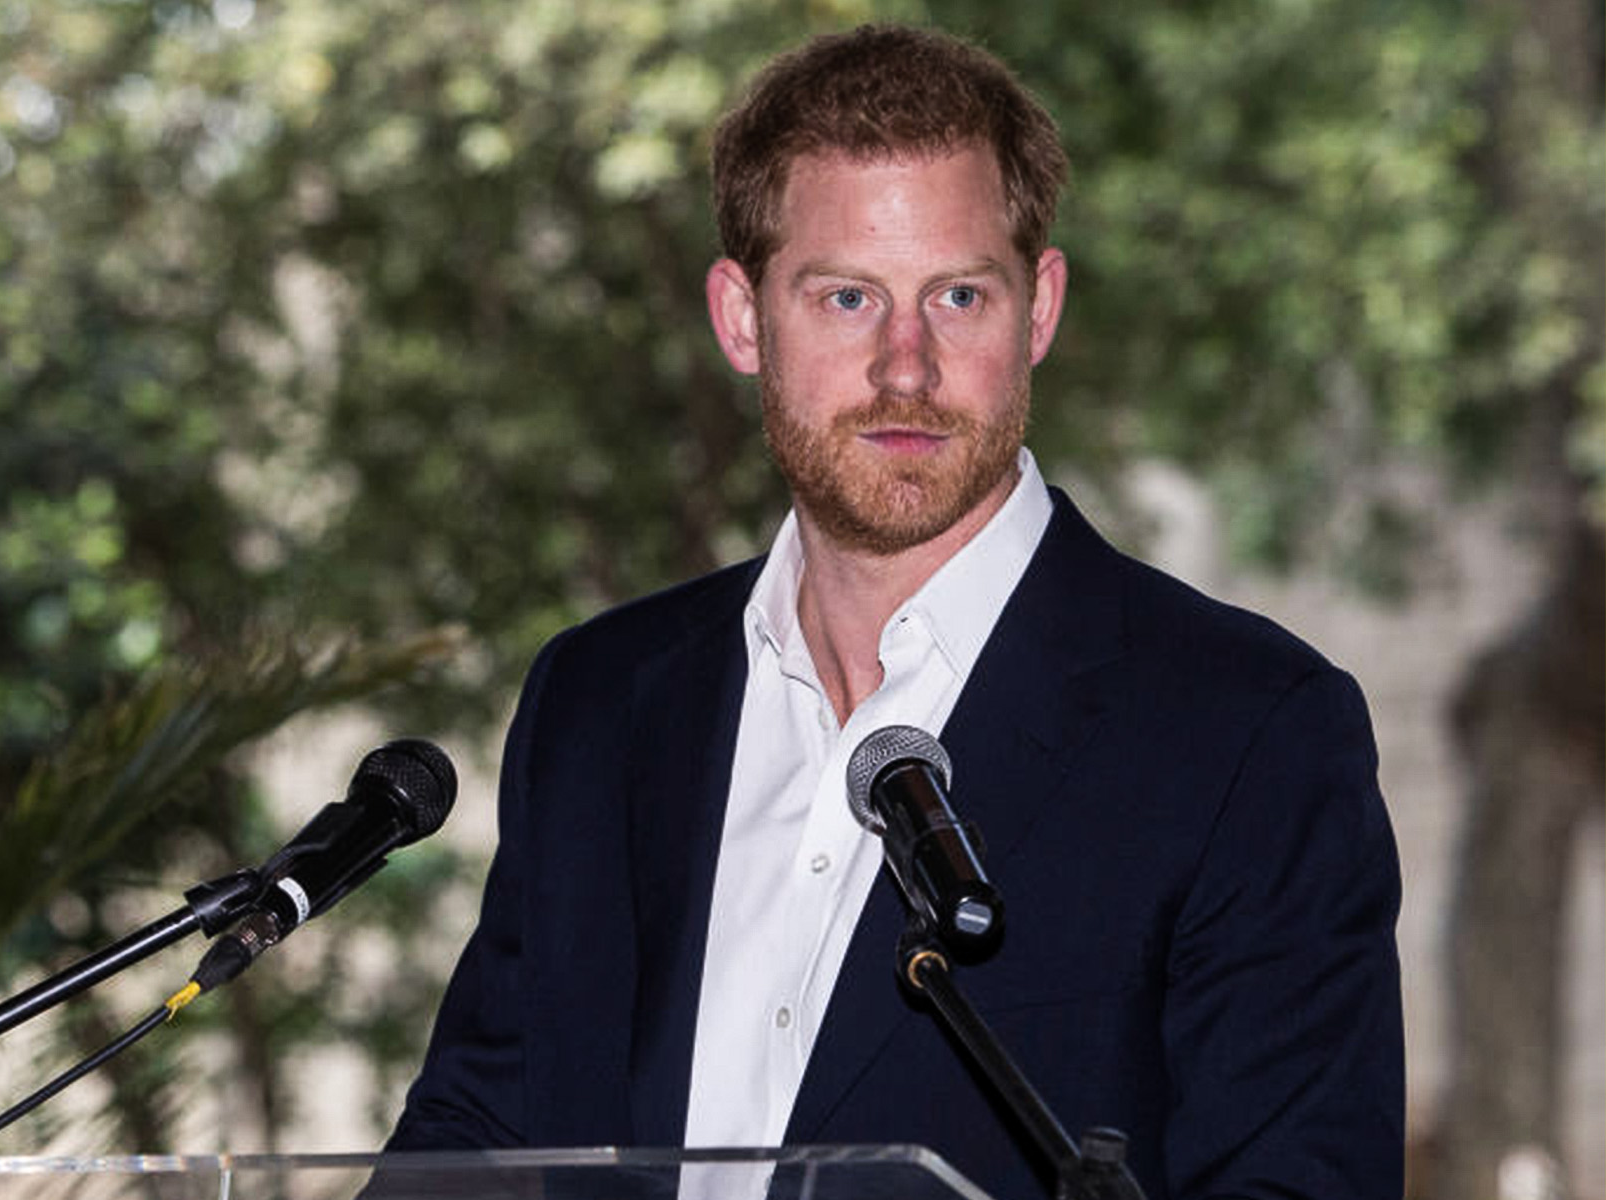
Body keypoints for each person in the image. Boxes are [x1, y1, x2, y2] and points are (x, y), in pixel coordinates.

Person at [386, 23, 1403, 1200]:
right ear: (741, 316)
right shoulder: (600, 701)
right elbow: (479, 1128)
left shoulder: (1250, 733)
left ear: (1039, 310)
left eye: (959, 295)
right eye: (847, 297)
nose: (905, 366)